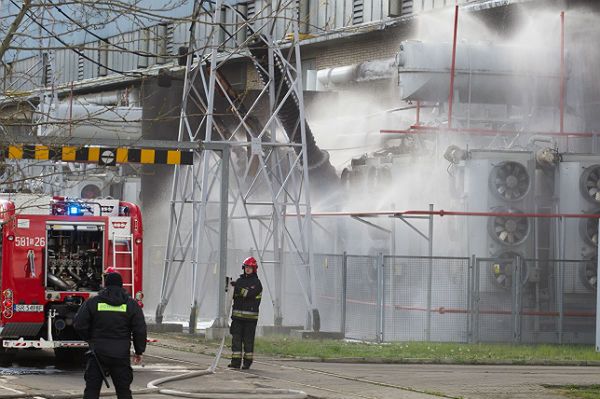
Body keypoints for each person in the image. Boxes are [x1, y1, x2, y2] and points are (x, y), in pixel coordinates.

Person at [74, 272, 147, 399]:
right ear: (121, 285)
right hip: (121, 354)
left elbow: (79, 324)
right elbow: (140, 330)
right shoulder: (131, 305)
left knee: (92, 390)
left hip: (98, 354)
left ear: (105, 285)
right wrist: (139, 351)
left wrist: (90, 339)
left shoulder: (93, 302)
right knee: (124, 391)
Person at [228, 256, 262, 370]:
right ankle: (235, 362)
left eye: (250, 267)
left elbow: (249, 294)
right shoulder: (240, 281)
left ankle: (247, 362)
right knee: (236, 340)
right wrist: (229, 288)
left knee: (248, 341)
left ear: (254, 269)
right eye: (246, 267)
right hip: (237, 318)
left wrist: (237, 289)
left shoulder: (256, 283)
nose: (247, 269)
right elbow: (234, 296)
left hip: (250, 319)